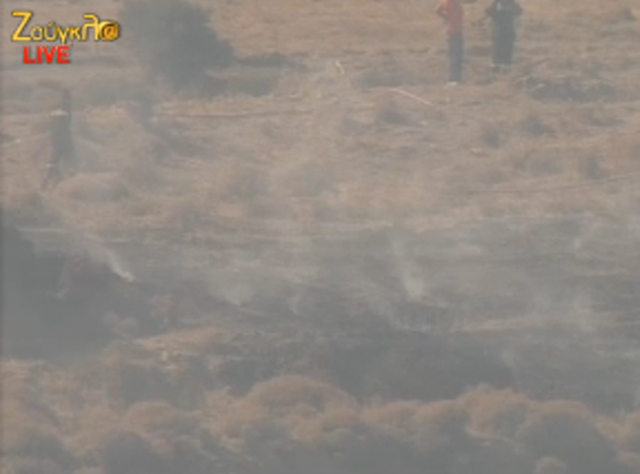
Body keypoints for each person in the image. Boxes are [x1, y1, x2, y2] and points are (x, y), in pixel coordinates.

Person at [42, 89, 77, 189]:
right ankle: (49, 182)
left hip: (59, 146)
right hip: (64, 145)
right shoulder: (63, 124)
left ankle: (47, 183)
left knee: (54, 164)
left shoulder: (55, 126)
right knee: (67, 164)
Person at [485, 0, 522, 71]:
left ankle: (503, 64)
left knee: (503, 47)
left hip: (504, 31)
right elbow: (519, 12)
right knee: (502, 47)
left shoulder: (502, 3)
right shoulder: (506, 3)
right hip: (503, 31)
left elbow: (488, 12)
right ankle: (500, 64)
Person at [435, 0, 465, 85]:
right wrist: (446, 18)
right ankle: (453, 78)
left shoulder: (447, 2)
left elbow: (437, 10)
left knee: (455, 55)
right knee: (454, 55)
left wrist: (445, 18)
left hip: (455, 30)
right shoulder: (451, 2)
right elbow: (437, 10)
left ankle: (456, 78)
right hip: (454, 31)